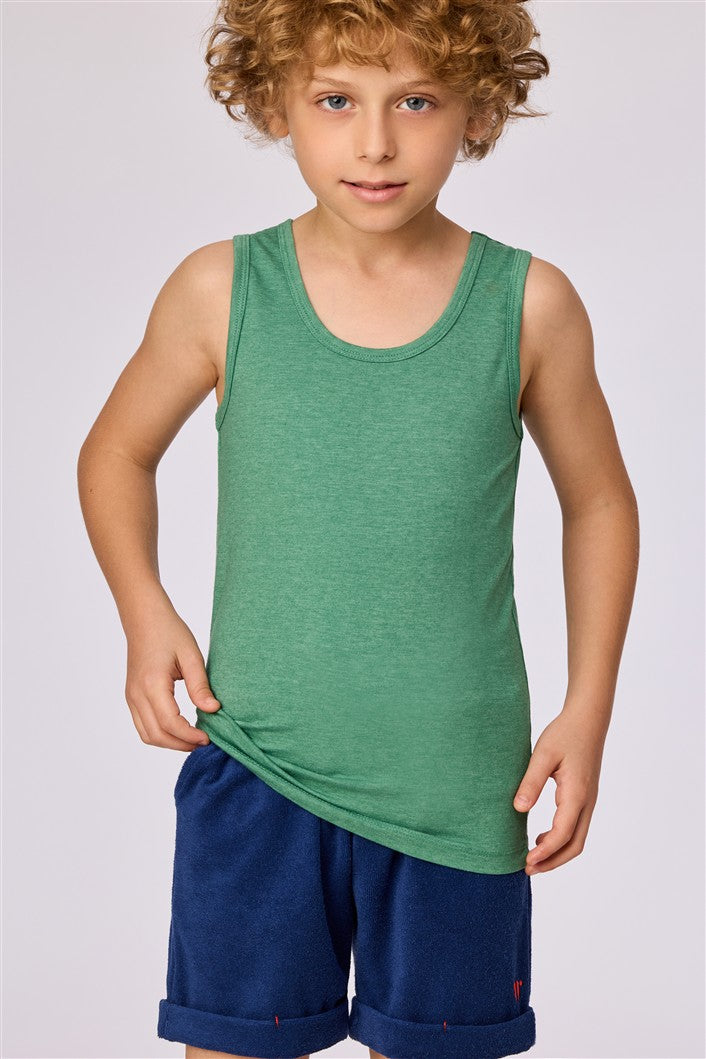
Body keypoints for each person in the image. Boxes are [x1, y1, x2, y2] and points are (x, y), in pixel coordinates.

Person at [77, 1, 640, 1057]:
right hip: (258, 762)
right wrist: (144, 613)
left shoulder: (528, 304)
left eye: (415, 102)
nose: (375, 142)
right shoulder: (223, 289)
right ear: (275, 104)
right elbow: (115, 452)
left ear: (477, 110)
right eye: (336, 100)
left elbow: (600, 501)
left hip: (459, 783)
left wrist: (589, 707)